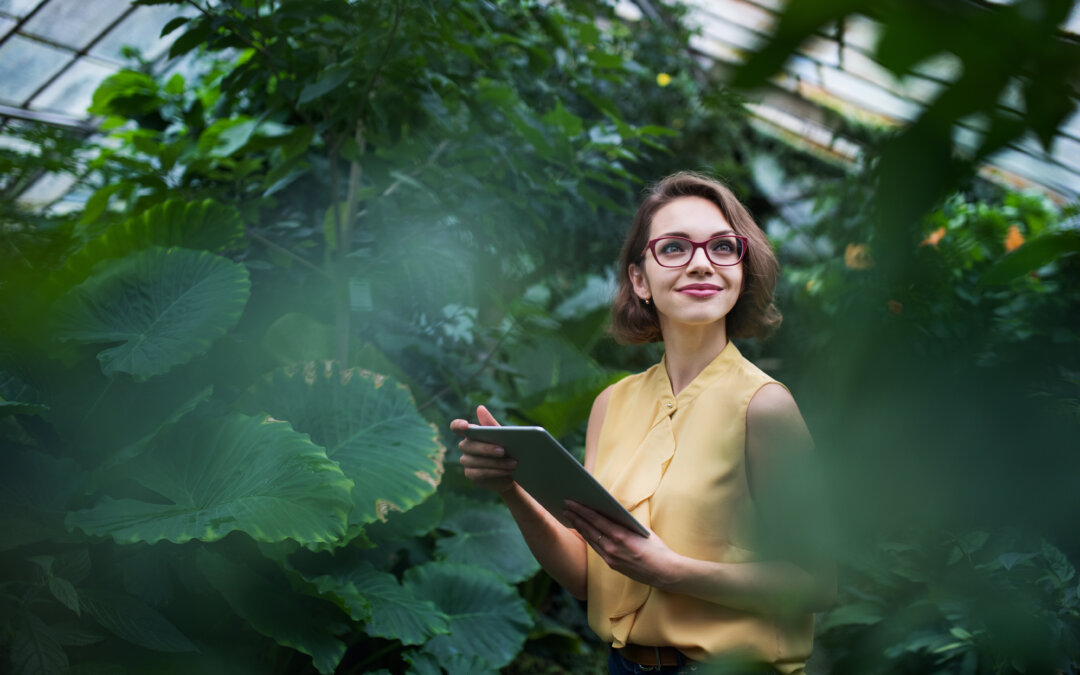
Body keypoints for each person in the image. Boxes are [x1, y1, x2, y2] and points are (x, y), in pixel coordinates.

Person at [450, 172, 834, 674]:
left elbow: (820, 583)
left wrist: (674, 571)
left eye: (722, 247)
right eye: (674, 248)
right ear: (639, 279)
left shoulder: (764, 406)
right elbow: (589, 577)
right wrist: (510, 489)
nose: (701, 263)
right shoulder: (612, 404)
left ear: (742, 268)